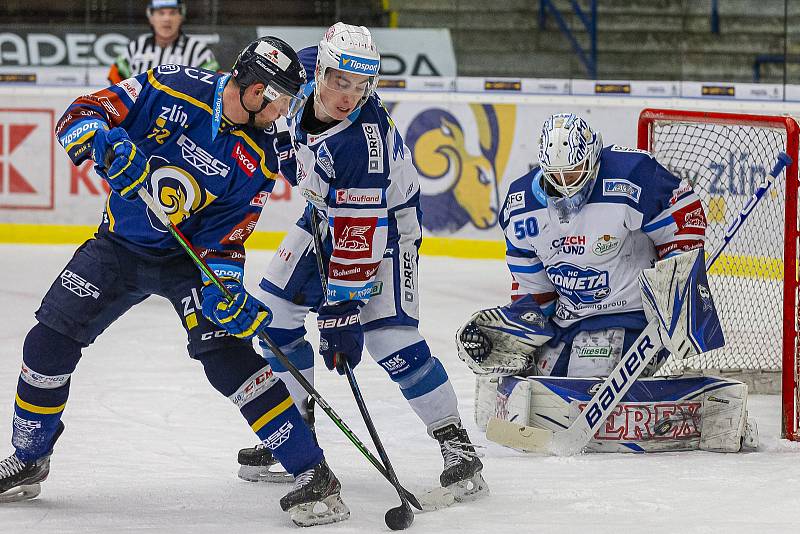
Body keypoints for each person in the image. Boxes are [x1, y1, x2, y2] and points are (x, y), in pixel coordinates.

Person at [0, 37, 350, 527]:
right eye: (280, 99)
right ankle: (30, 455)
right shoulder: (170, 86)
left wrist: (225, 291)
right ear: (252, 89)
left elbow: (226, 241)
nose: (285, 112)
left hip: (187, 264)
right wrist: (103, 142)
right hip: (118, 247)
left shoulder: (262, 157)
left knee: (229, 362)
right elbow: (80, 114)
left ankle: (313, 473)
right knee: (46, 343)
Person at [225, 22, 488, 503]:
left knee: (388, 336)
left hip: (384, 226)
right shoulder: (297, 71)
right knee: (274, 315)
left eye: (361, 86)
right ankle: (295, 430)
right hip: (326, 215)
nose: (348, 96)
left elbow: (359, 243)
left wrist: (341, 315)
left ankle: (456, 444)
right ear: (319, 69)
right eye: (340, 81)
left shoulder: (362, 146)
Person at [457, 112, 709, 379]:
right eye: (557, 175)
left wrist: (677, 288)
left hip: (630, 314)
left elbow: (683, 215)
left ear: (592, 158)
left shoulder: (631, 175)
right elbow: (533, 285)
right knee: (537, 381)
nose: (566, 184)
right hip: (567, 319)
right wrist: (527, 322)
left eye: (574, 172)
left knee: (584, 383)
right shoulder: (521, 208)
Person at [107, 0, 219, 84]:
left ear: (181, 17)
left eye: (173, 13)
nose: (167, 19)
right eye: (161, 13)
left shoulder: (199, 51)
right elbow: (114, 79)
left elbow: (218, 87)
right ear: (151, 18)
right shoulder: (135, 47)